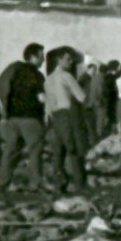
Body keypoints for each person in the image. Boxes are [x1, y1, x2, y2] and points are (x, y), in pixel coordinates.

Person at [0, 43, 47, 191]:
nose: (43, 60)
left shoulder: (14, 69)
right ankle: (36, 183)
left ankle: (2, 182)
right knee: (35, 149)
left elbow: (1, 85)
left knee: (10, 150)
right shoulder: (36, 75)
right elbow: (41, 97)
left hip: (12, 118)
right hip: (30, 118)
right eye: (41, 57)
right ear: (33, 56)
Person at [43, 48, 90, 193]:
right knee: (75, 149)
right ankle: (80, 184)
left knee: (58, 152)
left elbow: (47, 102)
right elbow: (82, 97)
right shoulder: (67, 76)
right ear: (59, 60)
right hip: (69, 115)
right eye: (68, 59)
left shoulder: (48, 79)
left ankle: (59, 184)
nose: (71, 62)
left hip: (54, 117)